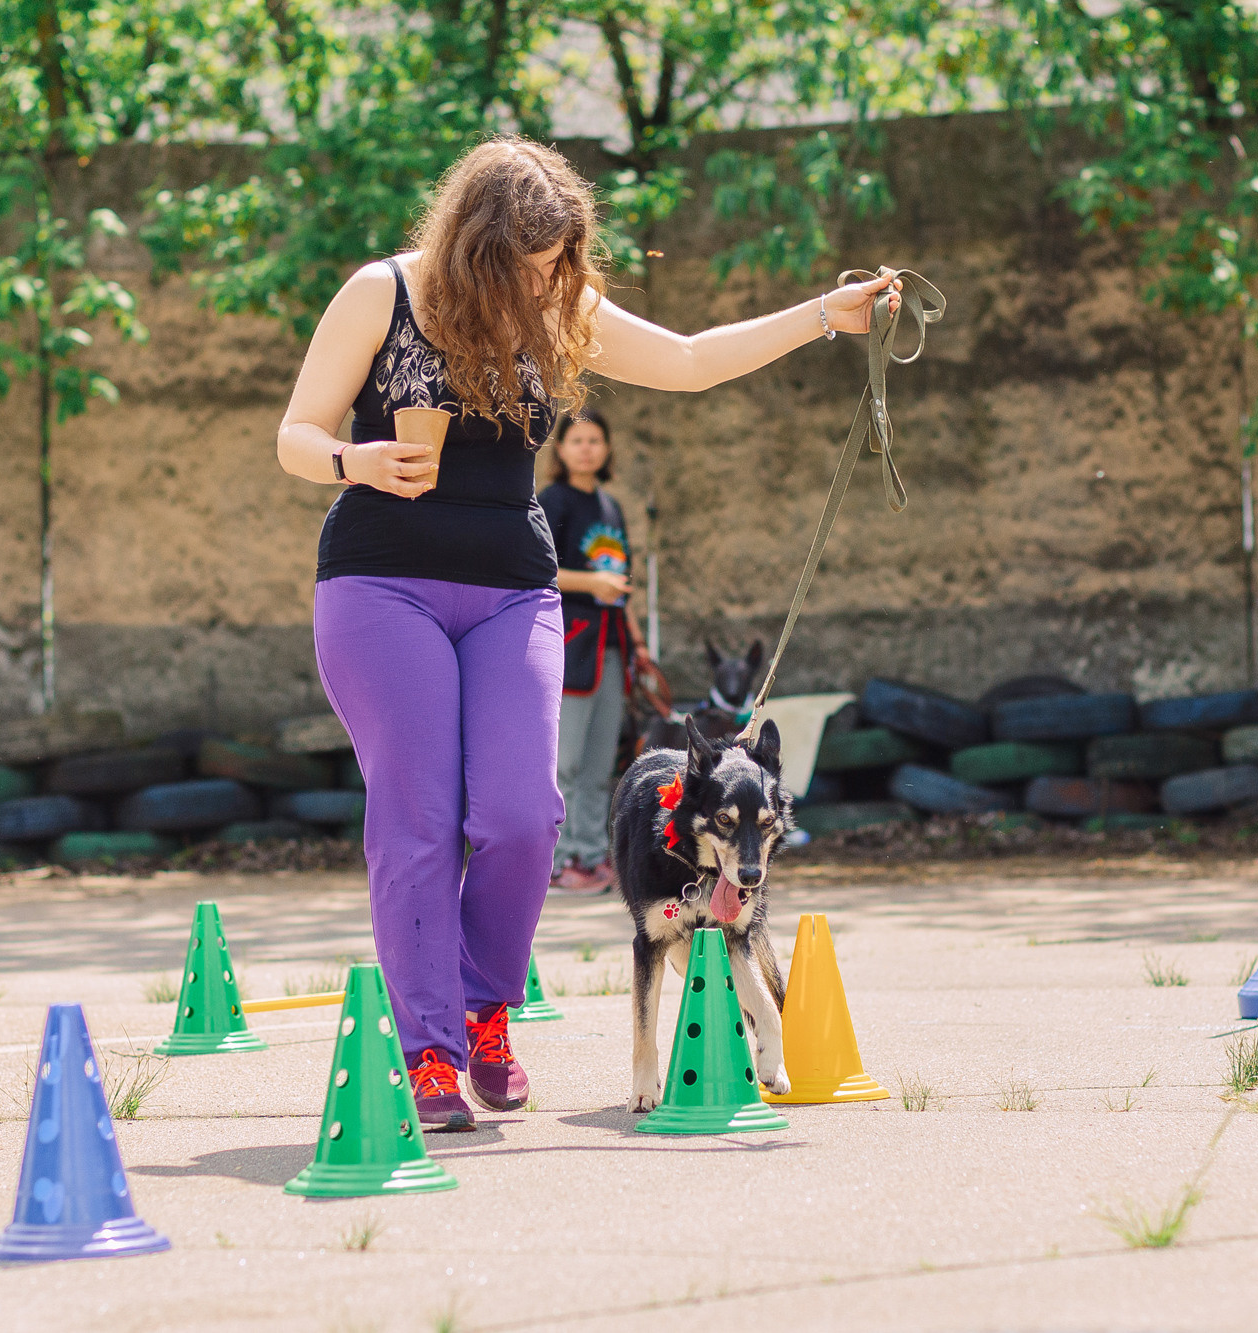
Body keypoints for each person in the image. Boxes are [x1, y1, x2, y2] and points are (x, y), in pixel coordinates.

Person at [274, 135, 901, 1132]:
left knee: (524, 814)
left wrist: (828, 315)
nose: (541, 279)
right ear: (475, 243)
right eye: (523, 261)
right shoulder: (379, 295)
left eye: (554, 260)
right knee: (421, 817)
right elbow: (294, 434)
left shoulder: (556, 310)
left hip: (512, 590)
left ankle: (487, 1011)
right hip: (378, 583)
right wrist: (353, 461)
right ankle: (427, 1047)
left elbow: (690, 361)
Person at [539, 408, 649, 894]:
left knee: (602, 761)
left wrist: (639, 645)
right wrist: (592, 582)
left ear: (606, 449)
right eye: (576, 439)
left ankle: (590, 853)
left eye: (595, 439)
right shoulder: (550, 502)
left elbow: (619, 589)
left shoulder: (611, 507)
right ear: (560, 449)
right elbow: (535, 569)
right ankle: (557, 861)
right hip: (567, 644)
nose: (586, 447)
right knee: (564, 761)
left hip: (611, 646)